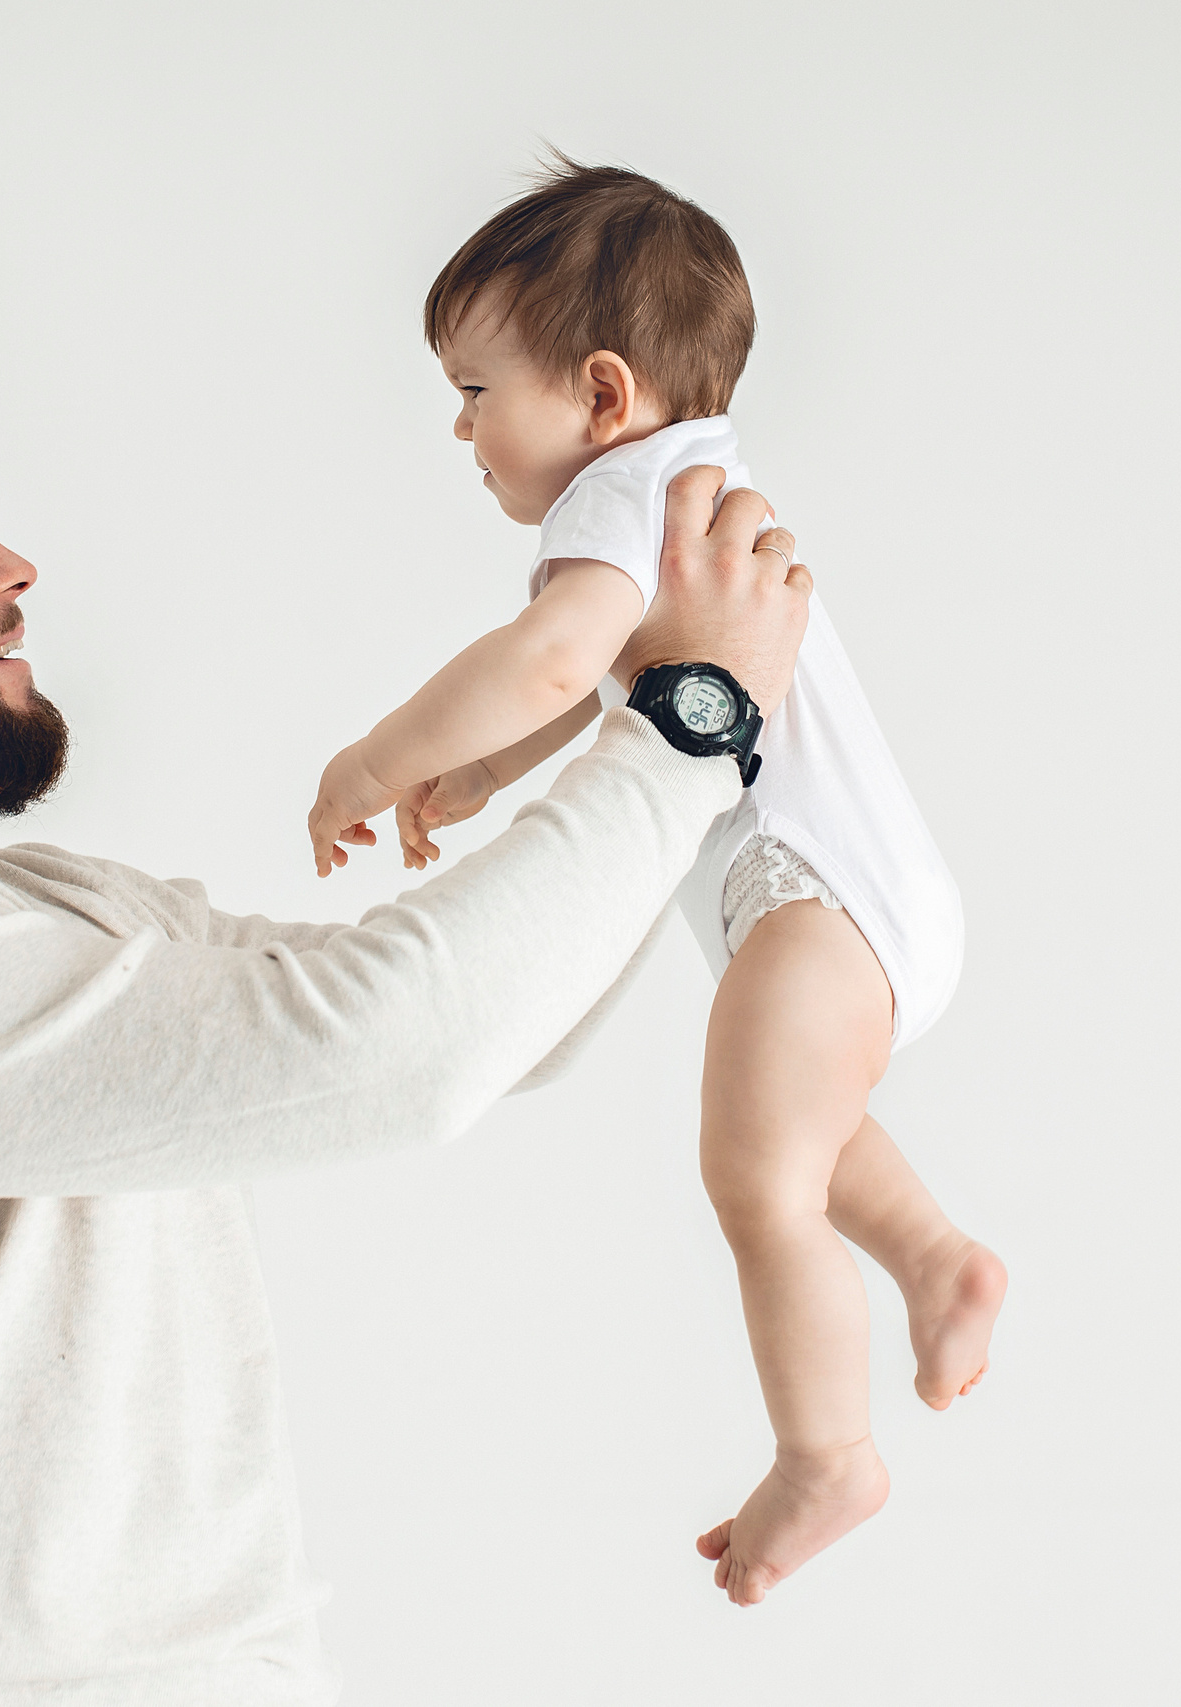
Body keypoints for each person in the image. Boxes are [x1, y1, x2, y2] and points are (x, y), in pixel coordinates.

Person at [0, 365, 815, 1703]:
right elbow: (398, 1053)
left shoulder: (44, 911)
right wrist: (694, 719)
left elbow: (504, 1030)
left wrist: (636, 703)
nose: (14, 566)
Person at [304, 159, 1008, 1606]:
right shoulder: (688, 493)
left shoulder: (624, 492)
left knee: (754, 1177)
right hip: (864, 905)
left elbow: (562, 658)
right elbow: (613, 678)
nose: (459, 424)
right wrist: (493, 774)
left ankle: (830, 1453)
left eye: (478, 387)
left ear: (603, 392)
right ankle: (938, 1259)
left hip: (814, 898)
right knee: (809, 1136)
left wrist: (375, 761)